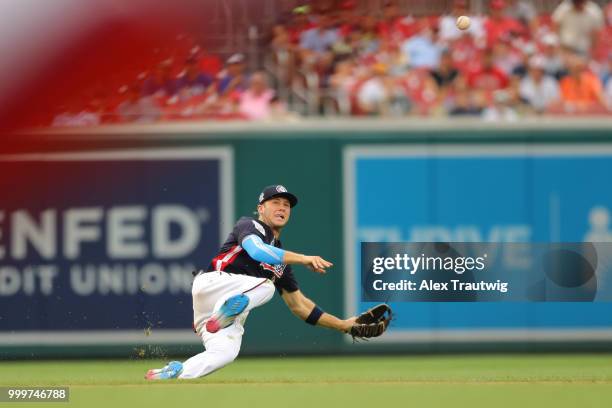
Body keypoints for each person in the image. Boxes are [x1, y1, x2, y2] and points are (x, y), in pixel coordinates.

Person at [146, 185, 357, 380]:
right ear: (261, 208)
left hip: (219, 308)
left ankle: (175, 372)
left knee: (225, 353)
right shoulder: (251, 224)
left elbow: (300, 307)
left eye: (286, 205)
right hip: (214, 283)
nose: (282, 207)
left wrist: (344, 325)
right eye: (275, 202)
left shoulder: (281, 261)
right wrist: (303, 258)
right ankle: (224, 312)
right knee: (266, 286)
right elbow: (257, 250)